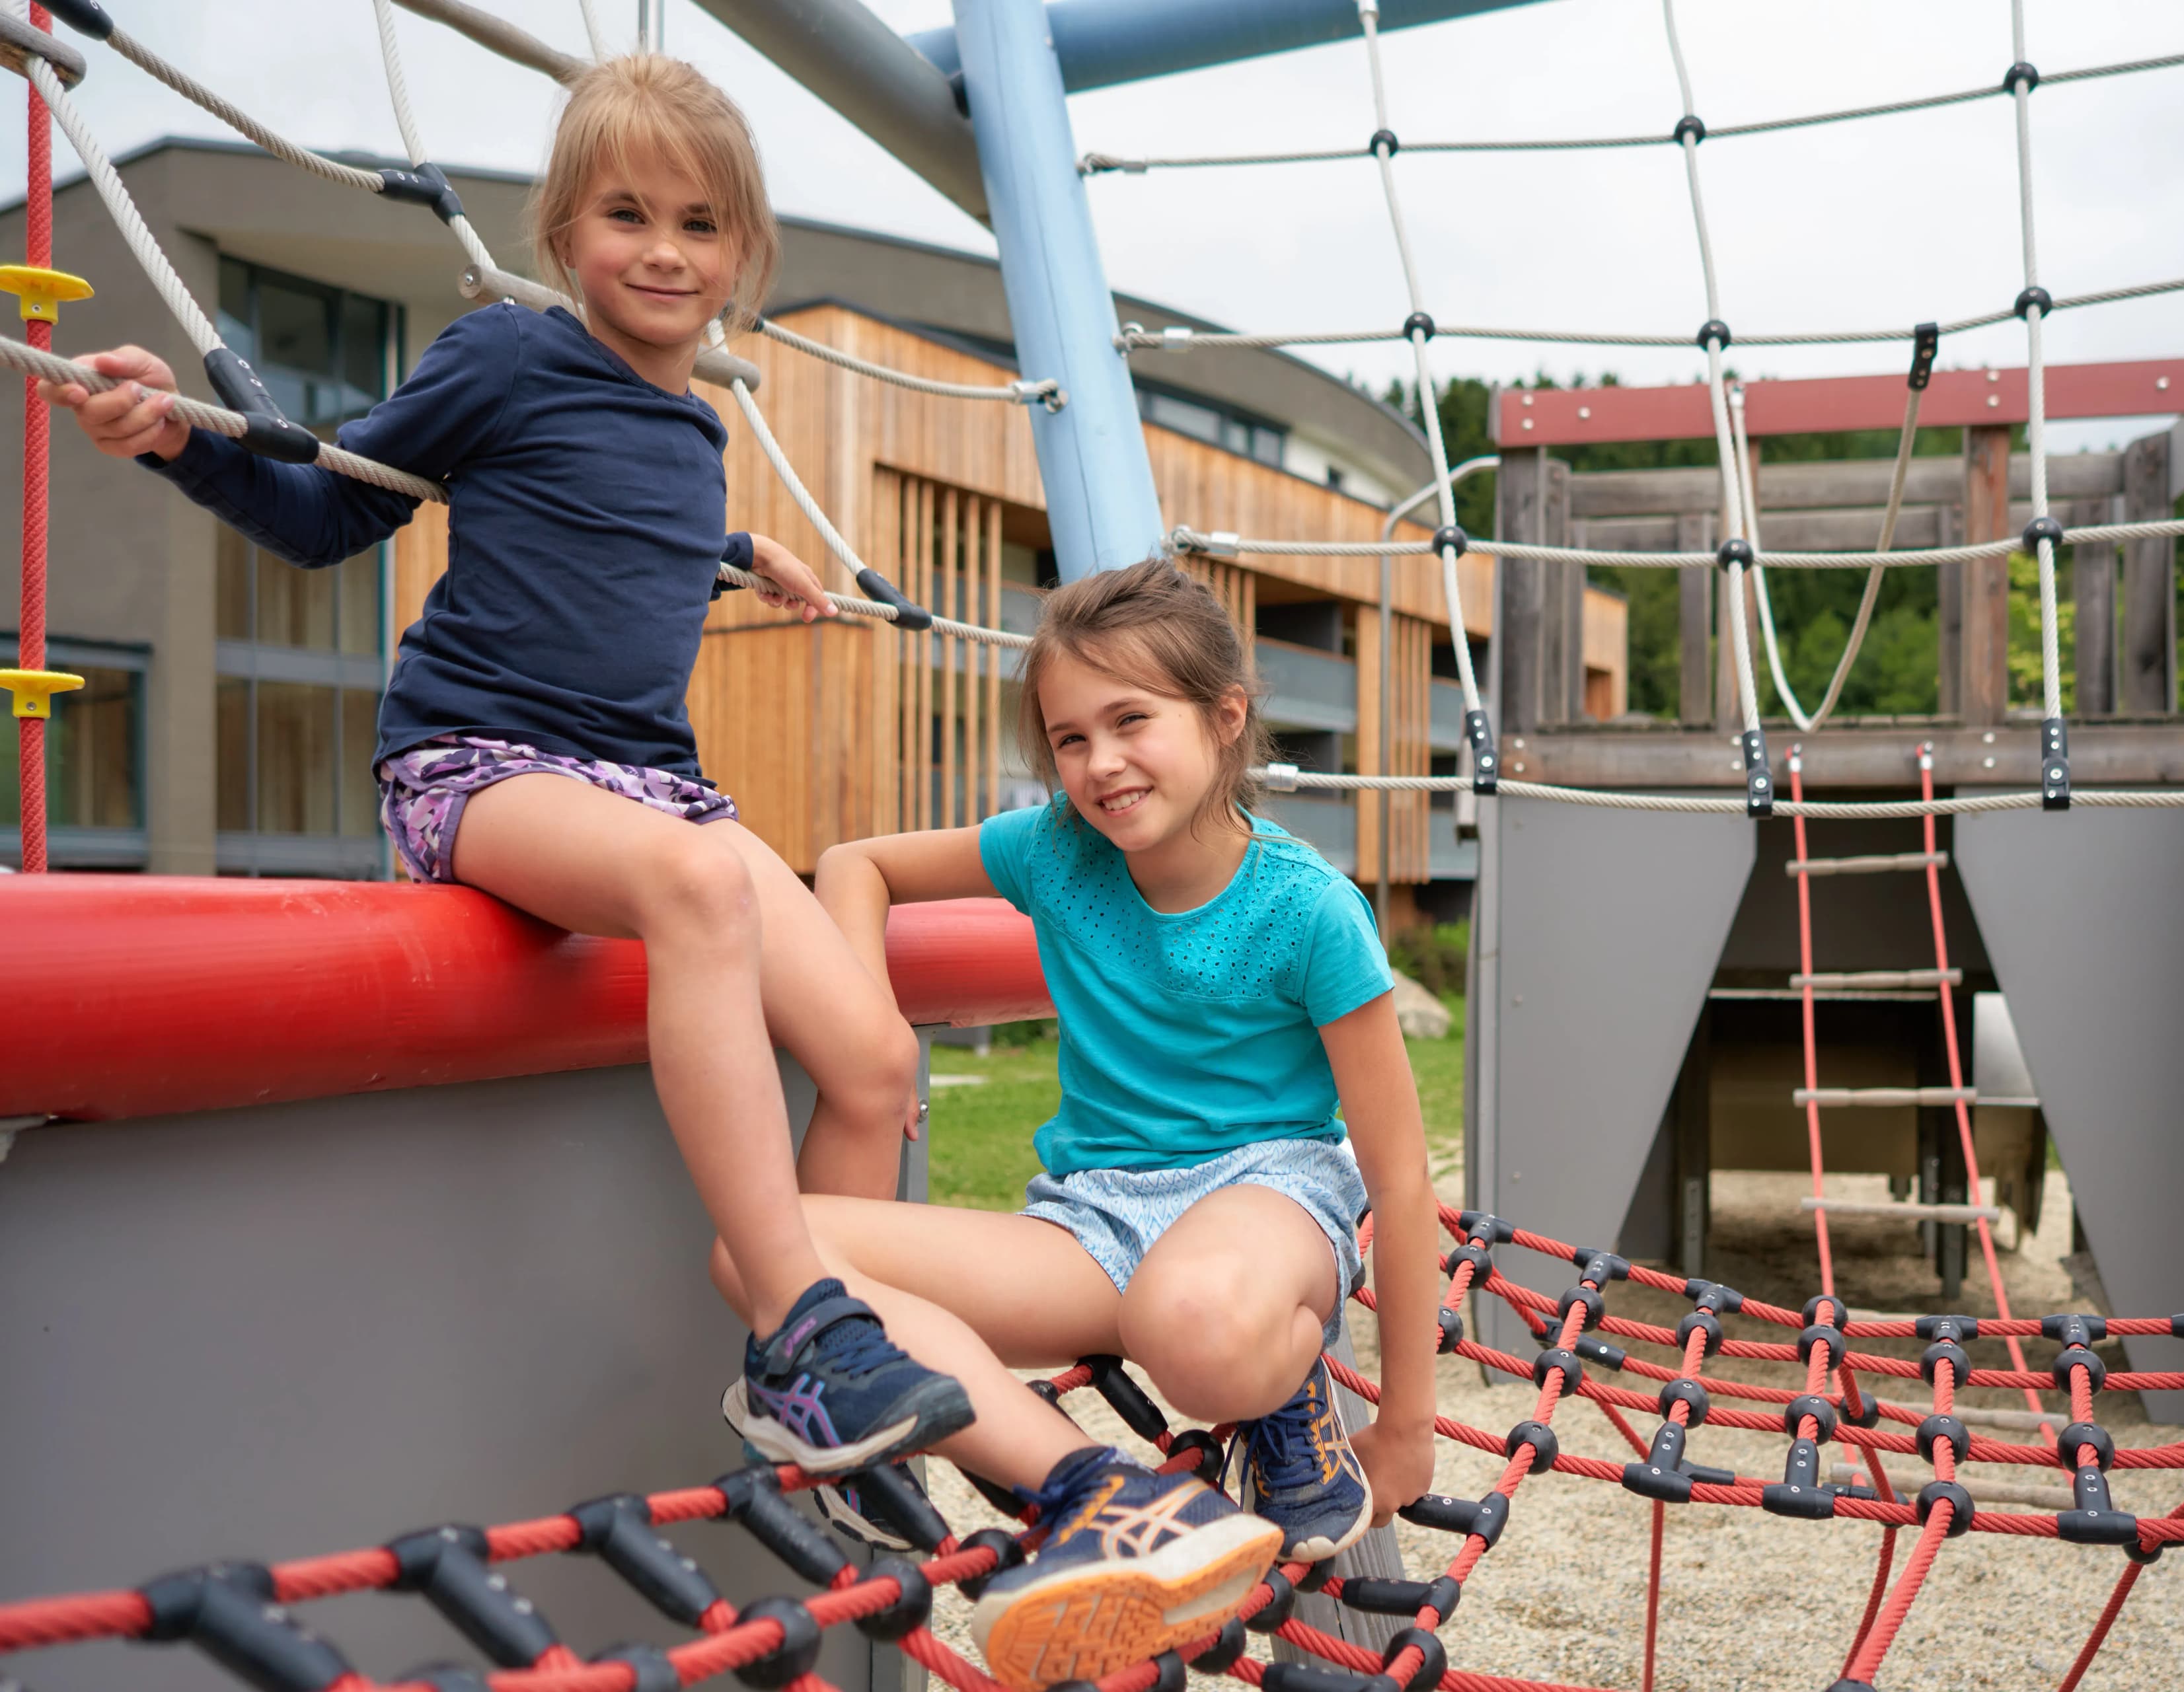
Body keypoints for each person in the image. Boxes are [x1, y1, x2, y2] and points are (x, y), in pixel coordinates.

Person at [40, 55, 971, 1474]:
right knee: (700, 889)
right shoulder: (506, 355)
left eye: (701, 224)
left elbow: (605, 528)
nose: (665, 251)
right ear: (562, 231)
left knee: (876, 1058)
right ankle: (804, 1329)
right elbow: (327, 513)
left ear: (744, 255)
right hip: (481, 762)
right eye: (627, 214)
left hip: (650, 784)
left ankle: (796, 1372)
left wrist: (735, 552)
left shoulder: (700, 428)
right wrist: (181, 437)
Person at [786, 559, 1441, 1689]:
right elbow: (857, 865)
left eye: (1132, 720)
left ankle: (1289, 1391)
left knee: (1189, 1329)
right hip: (1093, 1219)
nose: (1100, 763)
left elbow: (1402, 1176)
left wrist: (1411, 1427)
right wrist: (869, 1035)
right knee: (775, 1249)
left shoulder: (1310, 909)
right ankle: (1093, 1493)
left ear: (1224, 717)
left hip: (1269, 1194)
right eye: (1071, 737)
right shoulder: (1055, 851)